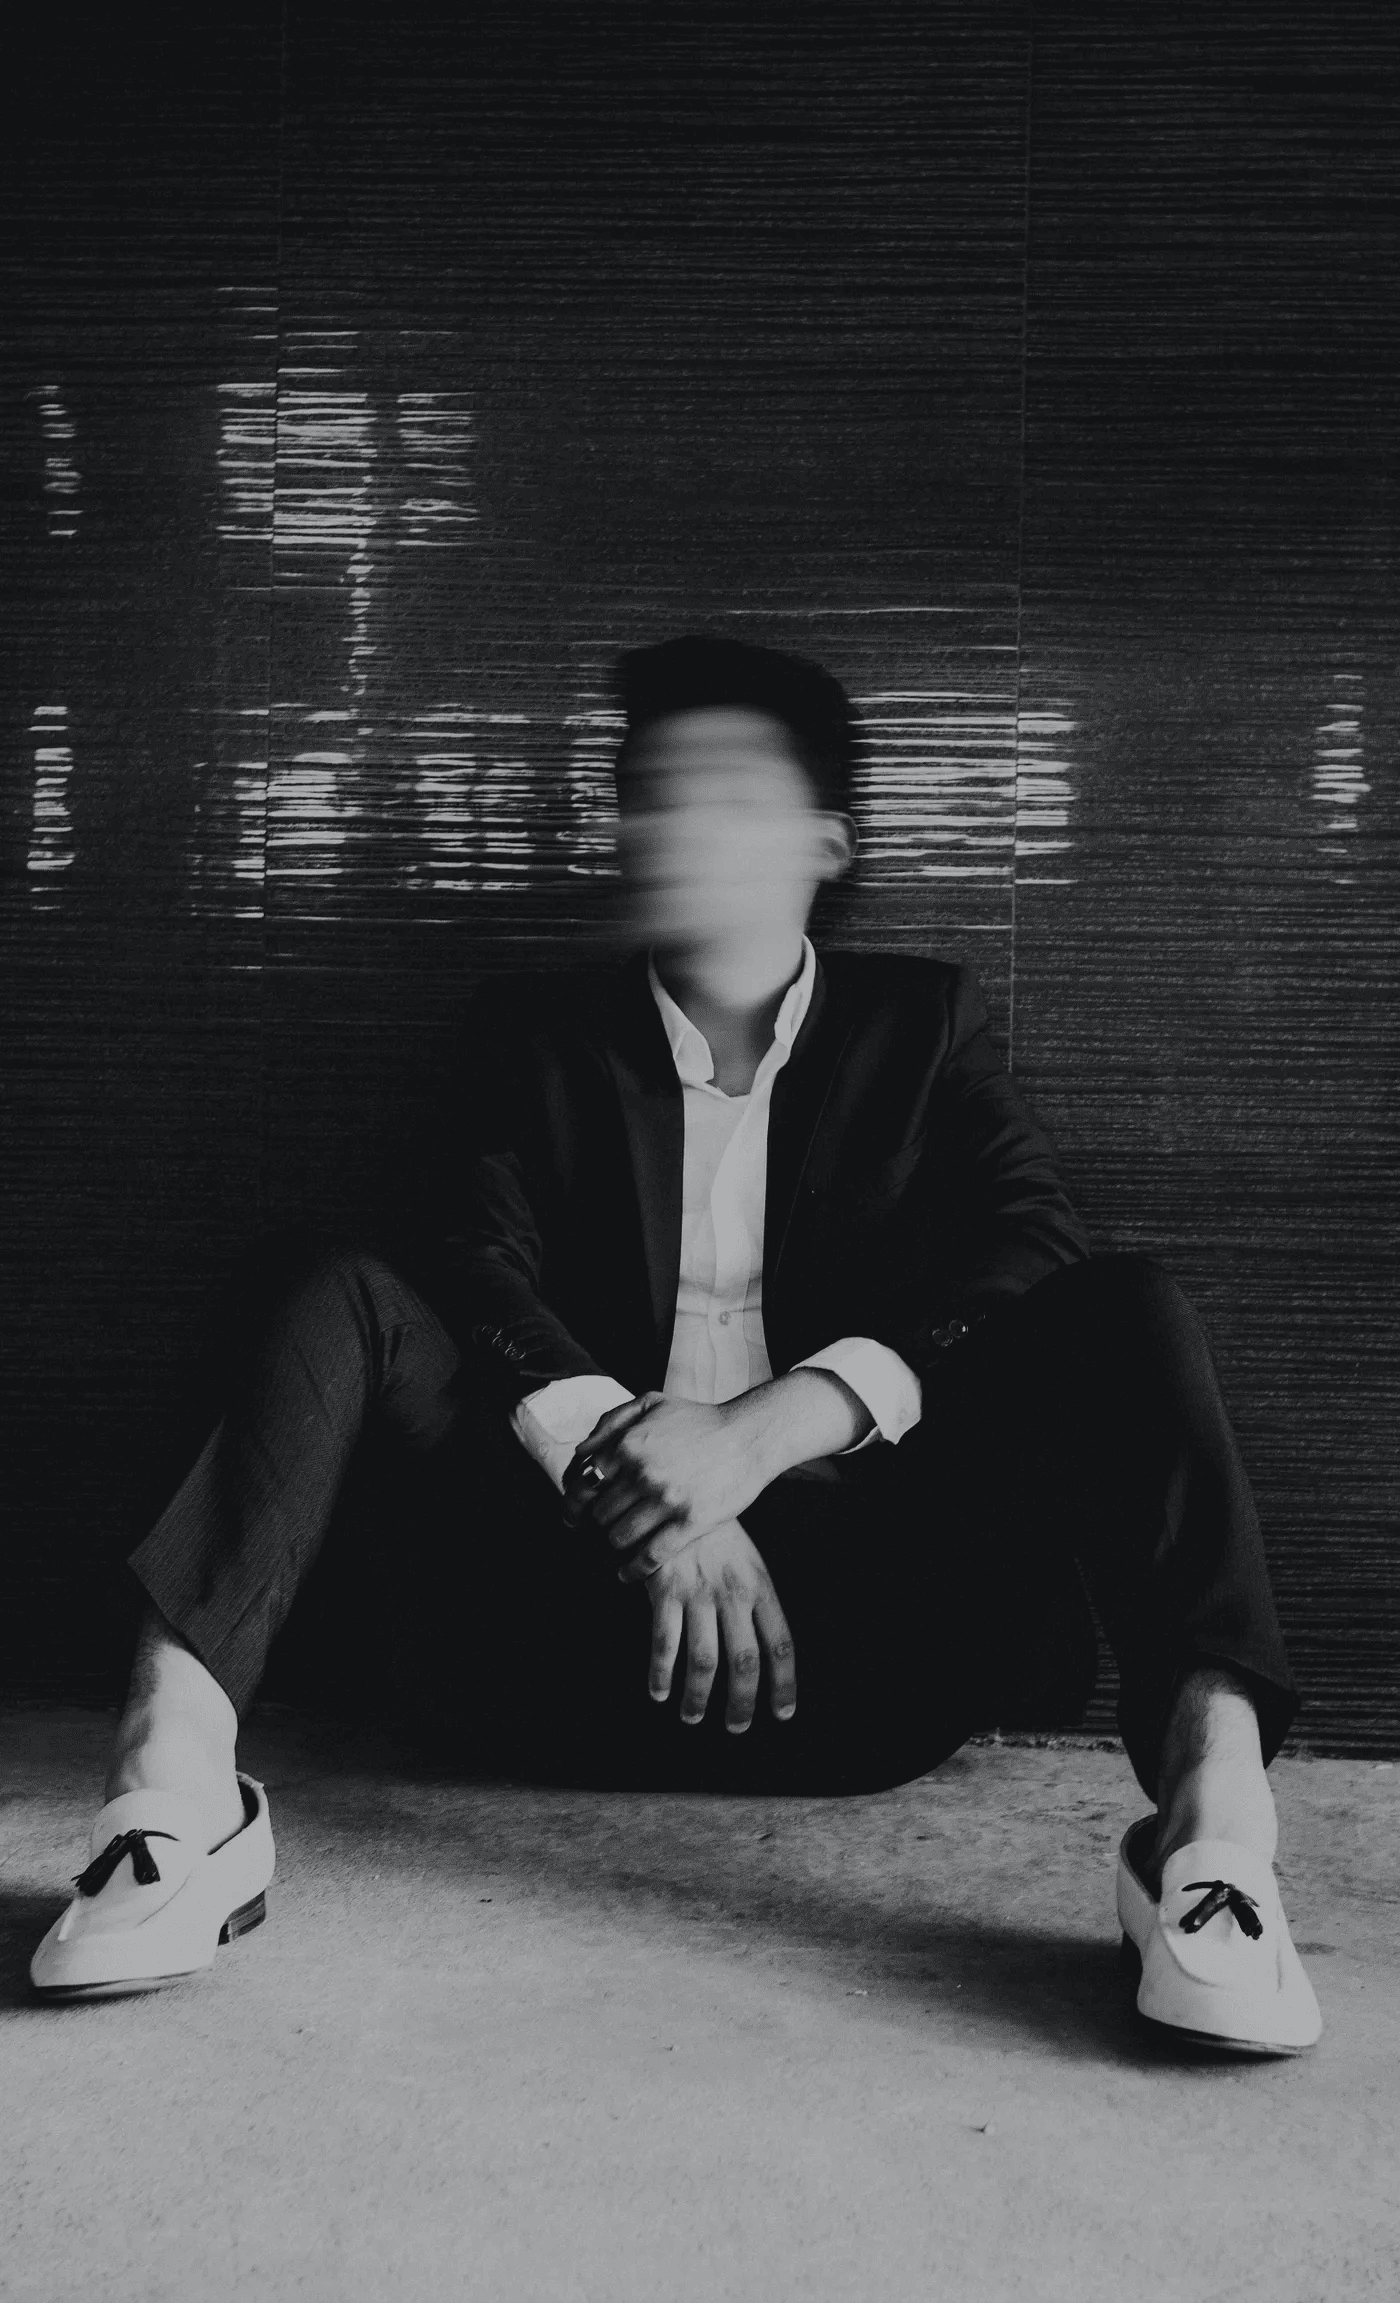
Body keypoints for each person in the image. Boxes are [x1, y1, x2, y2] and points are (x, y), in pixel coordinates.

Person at [30, 635, 1322, 2054]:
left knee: (1125, 1307)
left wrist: (764, 1430)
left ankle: (1211, 1855)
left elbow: (1029, 1247)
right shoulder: (536, 1037)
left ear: (825, 839)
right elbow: (468, 1255)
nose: (664, 823)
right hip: (545, 1642)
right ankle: (174, 1805)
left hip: (866, 1654)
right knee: (337, 1280)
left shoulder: (924, 1025)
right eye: (647, 790)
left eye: (720, 790)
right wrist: (636, 1474)